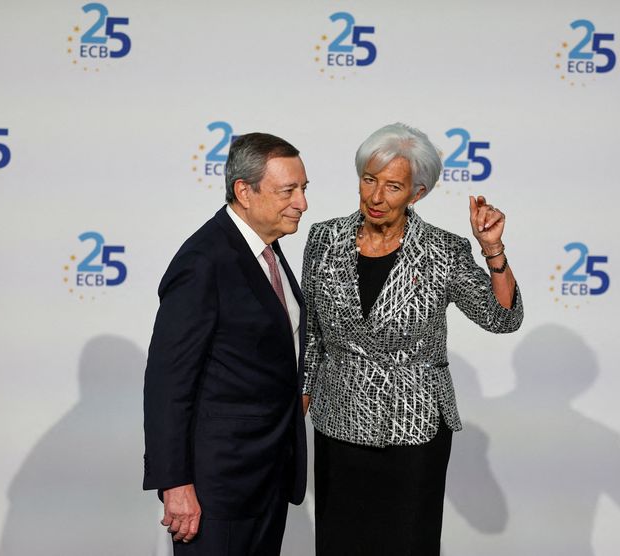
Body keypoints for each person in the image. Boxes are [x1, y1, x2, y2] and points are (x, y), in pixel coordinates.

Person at [300, 123, 524, 555]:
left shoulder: (443, 250)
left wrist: (492, 250)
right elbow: (312, 333)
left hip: (414, 424)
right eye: (369, 180)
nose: (376, 197)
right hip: (338, 420)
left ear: (417, 194)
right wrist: (301, 399)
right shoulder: (324, 239)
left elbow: (501, 318)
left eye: (393, 186)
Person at [143, 132, 309, 555]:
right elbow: (168, 382)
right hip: (217, 489)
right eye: (288, 191)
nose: (302, 203)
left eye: (303, 189)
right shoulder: (204, 261)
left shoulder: (267, 251)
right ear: (244, 192)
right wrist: (175, 484)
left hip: (267, 476)